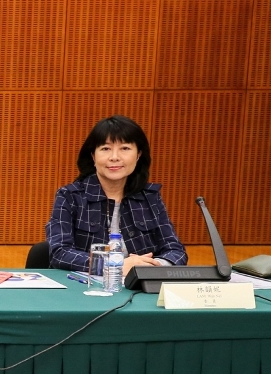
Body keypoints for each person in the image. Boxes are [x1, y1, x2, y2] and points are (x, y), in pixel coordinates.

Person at [47, 115, 187, 274]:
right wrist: (115, 265)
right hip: (86, 285)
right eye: (105, 149)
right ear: (93, 156)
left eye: (125, 148)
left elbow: (175, 251)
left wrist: (150, 267)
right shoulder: (70, 196)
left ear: (138, 155)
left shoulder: (150, 197)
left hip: (137, 284)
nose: (114, 157)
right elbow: (60, 253)